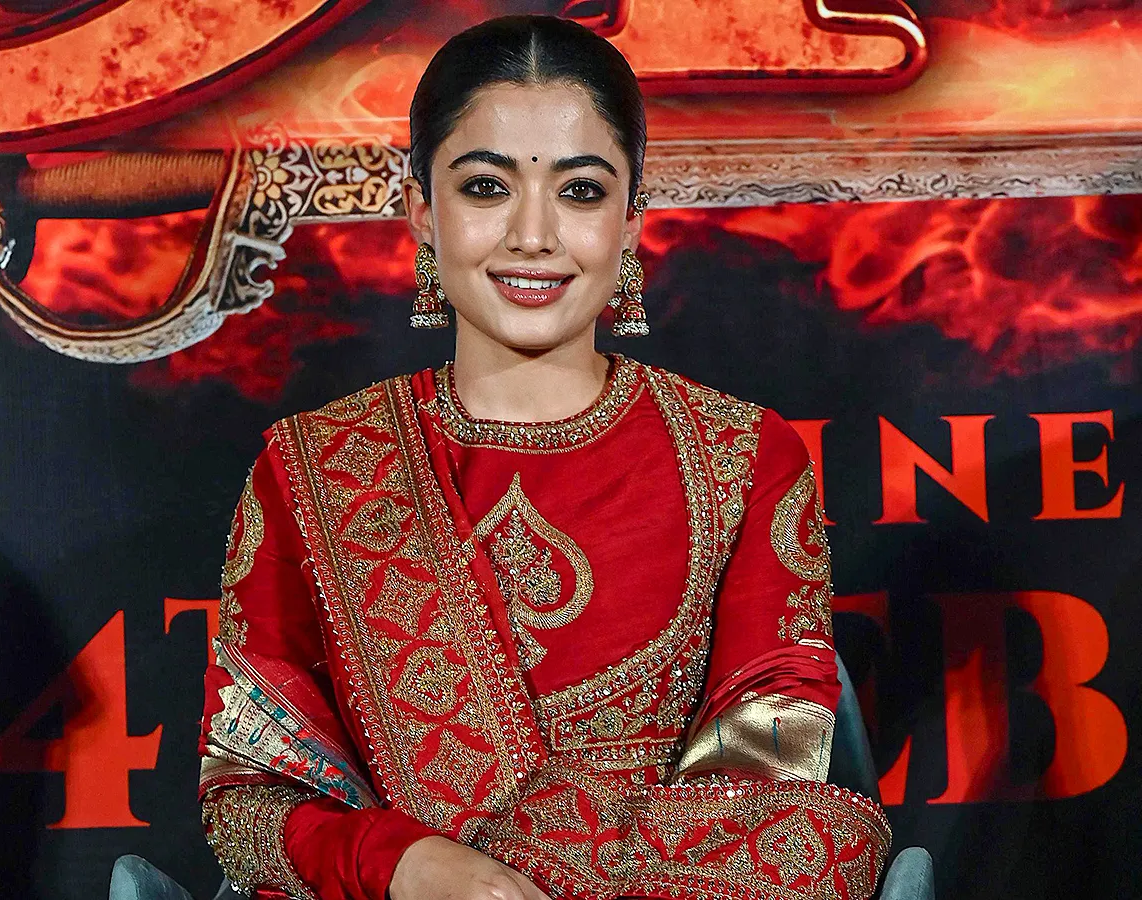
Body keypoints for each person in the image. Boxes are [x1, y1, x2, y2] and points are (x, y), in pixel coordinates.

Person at [197, 15, 890, 900]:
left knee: (825, 841)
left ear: (632, 217)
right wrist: (412, 865)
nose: (533, 234)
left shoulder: (742, 457)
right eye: (486, 187)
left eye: (581, 191)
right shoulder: (316, 469)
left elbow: (767, 787)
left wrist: (551, 866)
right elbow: (248, 806)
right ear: (421, 210)